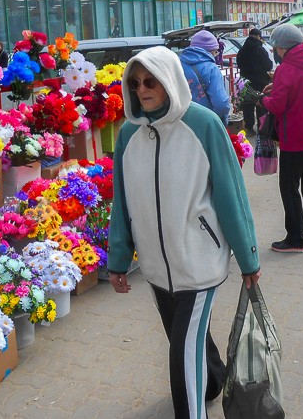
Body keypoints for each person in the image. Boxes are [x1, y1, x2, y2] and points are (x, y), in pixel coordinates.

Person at [107, 47, 261, 419]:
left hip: (198, 262)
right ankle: (211, 381)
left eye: (151, 81)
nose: (142, 89)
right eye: (135, 82)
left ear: (170, 80)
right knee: (186, 338)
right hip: (157, 268)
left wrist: (247, 257)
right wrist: (118, 260)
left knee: (181, 353)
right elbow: (121, 202)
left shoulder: (204, 124)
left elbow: (230, 196)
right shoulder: (129, 134)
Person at [260, 24, 303, 253]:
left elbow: (278, 106)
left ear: (282, 47)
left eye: (276, 48)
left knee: (289, 186)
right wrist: (276, 88)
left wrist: (262, 100)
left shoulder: (285, 69)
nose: (275, 53)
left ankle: (296, 239)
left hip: (295, 136)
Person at [179, 30, 230, 126]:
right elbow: (220, 103)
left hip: (181, 124)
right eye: (216, 52)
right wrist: (221, 121)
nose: (216, 55)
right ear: (211, 51)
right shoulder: (212, 69)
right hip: (205, 124)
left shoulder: (177, 65)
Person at [236, 28, 273, 136]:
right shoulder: (260, 49)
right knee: (261, 103)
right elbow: (268, 65)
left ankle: (249, 127)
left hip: (246, 81)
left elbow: (239, 63)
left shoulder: (242, 50)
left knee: (248, 104)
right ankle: (261, 127)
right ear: (258, 36)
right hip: (260, 81)